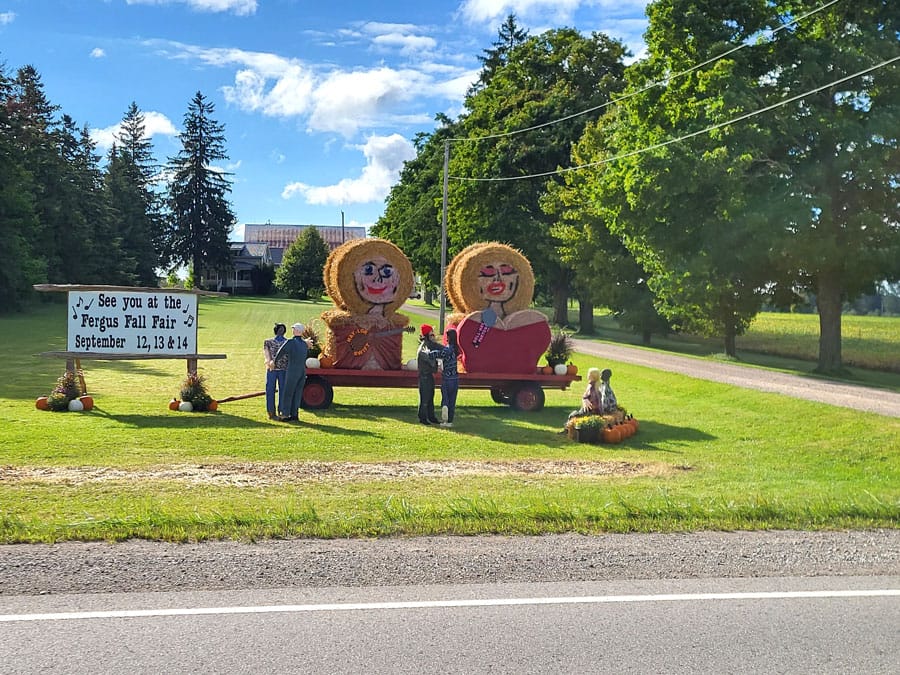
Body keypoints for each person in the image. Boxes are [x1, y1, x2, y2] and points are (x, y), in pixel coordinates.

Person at [274, 322, 310, 422]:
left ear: (297, 331)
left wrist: (274, 362)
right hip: (302, 372)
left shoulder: (291, 342)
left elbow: (280, 352)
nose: (292, 330)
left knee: (288, 392)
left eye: (294, 329)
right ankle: (295, 414)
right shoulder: (304, 344)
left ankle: (285, 414)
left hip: (292, 370)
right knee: (297, 393)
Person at [560, 367, 601, 433]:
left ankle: (566, 430)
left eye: (588, 374)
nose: (587, 375)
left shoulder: (592, 387)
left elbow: (592, 403)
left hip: (590, 412)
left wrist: (586, 402)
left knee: (572, 415)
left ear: (591, 376)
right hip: (595, 411)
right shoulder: (598, 385)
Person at [435, 328, 460, 428]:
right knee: (452, 400)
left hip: (447, 378)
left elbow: (439, 355)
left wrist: (429, 353)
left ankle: (444, 419)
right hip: (455, 379)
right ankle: (450, 421)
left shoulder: (447, 349)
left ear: (448, 337)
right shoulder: (456, 349)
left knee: (445, 399)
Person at [263, 323, 288, 420]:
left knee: (283, 390)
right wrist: (269, 362)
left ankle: (282, 410)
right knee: (270, 390)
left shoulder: (287, 342)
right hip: (272, 369)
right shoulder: (268, 342)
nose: (281, 331)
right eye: (279, 329)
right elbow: (266, 353)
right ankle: (271, 411)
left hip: (283, 369)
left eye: (282, 329)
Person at [416, 324, 440, 425]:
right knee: (425, 398)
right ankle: (423, 417)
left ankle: (431, 417)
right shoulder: (423, 349)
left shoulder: (428, 346)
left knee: (430, 397)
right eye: (431, 334)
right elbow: (431, 361)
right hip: (424, 376)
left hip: (428, 376)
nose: (433, 336)